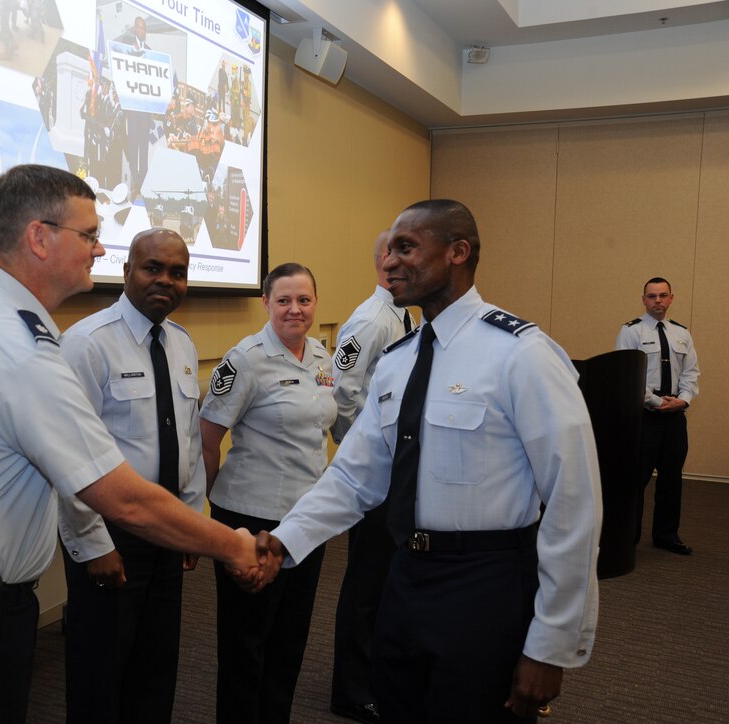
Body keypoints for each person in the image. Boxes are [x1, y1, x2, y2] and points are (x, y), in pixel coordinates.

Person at [0, 164, 264, 723]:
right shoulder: (19, 347)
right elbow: (121, 497)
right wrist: (234, 547)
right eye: (88, 235)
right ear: (39, 237)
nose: (100, 250)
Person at [263, 200, 602, 722]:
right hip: (404, 578)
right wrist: (285, 540)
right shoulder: (398, 361)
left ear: (458, 252)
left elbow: (574, 501)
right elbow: (355, 475)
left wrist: (552, 644)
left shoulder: (521, 354)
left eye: (406, 248)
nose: (390, 262)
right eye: (388, 250)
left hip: (487, 584)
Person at [57, 229, 203, 723]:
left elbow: (188, 444)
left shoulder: (182, 344)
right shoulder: (86, 344)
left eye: (177, 273)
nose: (165, 281)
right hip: (112, 534)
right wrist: (92, 543)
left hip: (164, 528)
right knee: (101, 670)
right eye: (152, 268)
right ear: (126, 273)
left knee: (155, 668)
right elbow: (68, 454)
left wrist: (190, 524)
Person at [200, 263, 338, 724]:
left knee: (290, 637)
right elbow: (207, 436)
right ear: (266, 303)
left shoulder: (321, 357)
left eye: (304, 300)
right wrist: (202, 520)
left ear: (316, 303)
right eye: (284, 300)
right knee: (247, 640)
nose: (295, 309)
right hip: (250, 517)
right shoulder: (245, 360)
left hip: (306, 522)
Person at [328, 230, 413, 724]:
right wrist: (361, 451)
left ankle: (376, 674)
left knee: (386, 580)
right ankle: (352, 690)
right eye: (404, 252)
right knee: (365, 583)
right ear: (386, 258)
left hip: (397, 466)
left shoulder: (405, 314)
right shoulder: (371, 319)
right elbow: (343, 394)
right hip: (376, 468)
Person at [615, 277, 699, 555]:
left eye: (663, 295)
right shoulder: (631, 332)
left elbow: (690, 373)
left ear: (671, 298)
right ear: (644, 300)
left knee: (672, 478)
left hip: (675, 416)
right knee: (636, 478)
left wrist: (682, 400)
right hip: (644, 416)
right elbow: (627, 373)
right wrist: (653, 400)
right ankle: (629, 537)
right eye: (652, 296)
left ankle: (666, 535)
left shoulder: (682, 333)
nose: (658, 301)